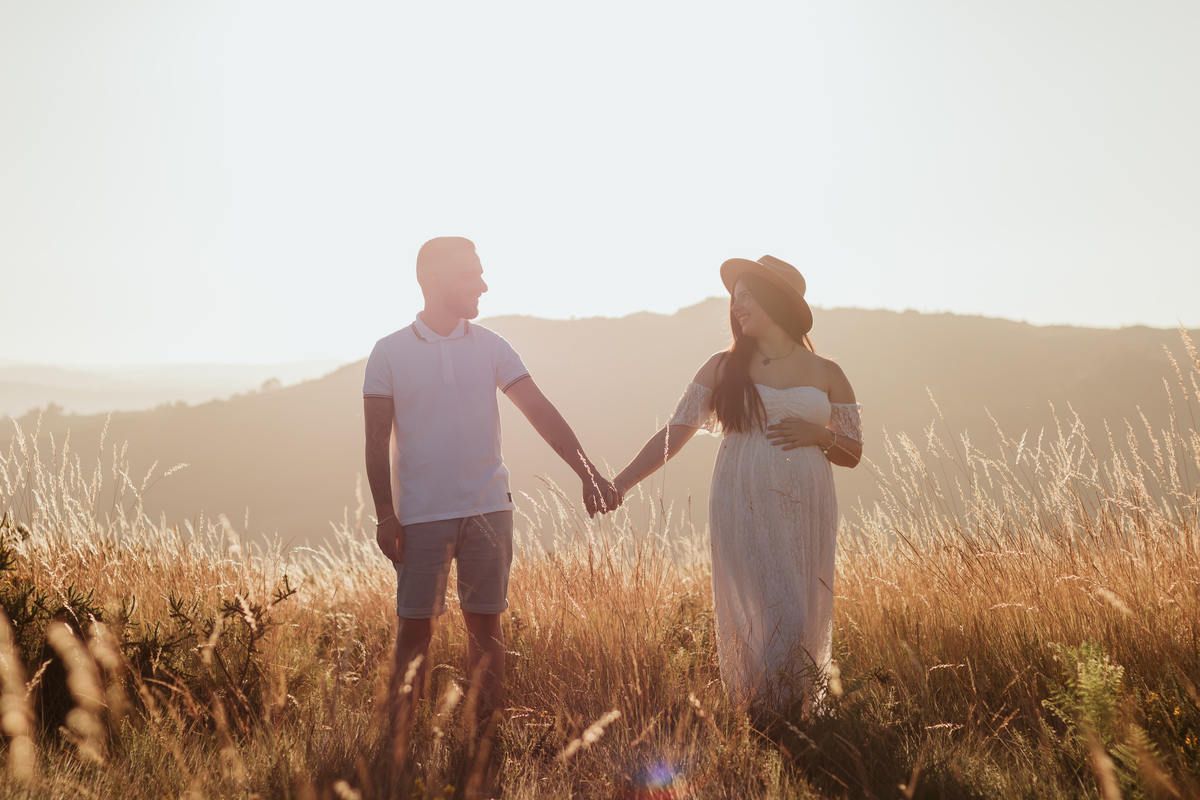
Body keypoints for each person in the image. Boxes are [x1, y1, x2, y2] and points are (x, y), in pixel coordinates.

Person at [362, 236, 620, 738]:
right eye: (471, 274)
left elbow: (540, 411)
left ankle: (484, 743)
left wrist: (586, 471)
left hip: (488, 508)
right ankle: (396, 749)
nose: (483, 284)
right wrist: (386, 514)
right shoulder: (388, 352)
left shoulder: (491, 346)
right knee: (415, 631)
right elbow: (375, 443)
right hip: (419, 516)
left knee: (486, 630)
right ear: (436, 281)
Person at [613, 255, 862, 715]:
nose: (737, 305)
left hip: (805, 506)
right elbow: (675, 432)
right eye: (735, 298)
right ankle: (770, 718)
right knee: (772, 611)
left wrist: (821, 436)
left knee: (798, 612)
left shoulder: (828, 372)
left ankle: (782, 717)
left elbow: (852, 451)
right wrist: (622, 482)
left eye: (746, 296)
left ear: (776, 302)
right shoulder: (723, 367)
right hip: (741, 499)